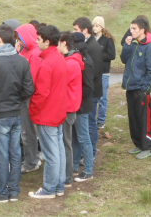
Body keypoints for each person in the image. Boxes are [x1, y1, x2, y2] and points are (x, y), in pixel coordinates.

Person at [0, 25, 34, 203]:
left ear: (0, 40)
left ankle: (1, 193)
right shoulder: (22, 61)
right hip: (15, 113)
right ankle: (13, 191)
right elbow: (29, 89)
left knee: (2, 155)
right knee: (15, 153)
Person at [28, 25, 68, 199]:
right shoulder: (60, 59)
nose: (36, 42)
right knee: (59, 151)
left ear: (46, 41)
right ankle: (59, 186)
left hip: (47, 114)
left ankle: (49, 188)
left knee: (51, 154)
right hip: (58, 112)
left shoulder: (47, 63)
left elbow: (41, 93)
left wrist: (32, 111)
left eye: (38, 39)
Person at [121, 18, 151, 160]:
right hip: (130, 87)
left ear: (142, 30)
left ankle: (148, 147)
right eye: (131, 28)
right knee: (133, 117)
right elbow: (123, 59)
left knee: (144, 119)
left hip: (141, 89)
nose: (131, 31)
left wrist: (146, 89)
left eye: (134, 29)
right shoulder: (133, 43)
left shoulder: (150, 46)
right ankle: (138, 144)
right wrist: (127, 46)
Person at [72, 17, 103, 161]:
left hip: (91, 92)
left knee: (90, 124)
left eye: (76, 30)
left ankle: (92, 153)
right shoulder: (87, 45)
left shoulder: (92, 47)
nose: (74, 33)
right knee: (87, 125)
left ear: (85, 30)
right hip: (88, 91)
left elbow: (94, 72)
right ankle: (86, 153)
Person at [14, 23, 43, 174]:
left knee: (28, 131)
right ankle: (29, 159)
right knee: (24, 130)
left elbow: (30, 79)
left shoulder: (35, 53)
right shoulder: (25, 51)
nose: (18, 41)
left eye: (20, 37)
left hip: (28, 98)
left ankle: (32, 161)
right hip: (23, 96)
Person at [57, 32, 84, 187]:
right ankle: (66, 172)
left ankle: (67, 176)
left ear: (65, 44)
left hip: (67, 109)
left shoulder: (70, 64)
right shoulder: (71, 61)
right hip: (69, 107)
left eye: (59, 43)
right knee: (66, 141)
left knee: (66, 142)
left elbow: (61, 84)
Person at [71, 32, 96, 182]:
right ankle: (74, 166)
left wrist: (75, 99)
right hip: (78, 105)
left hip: (81, 106)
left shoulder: (85, 62)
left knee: (83, 138)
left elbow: (88, 87)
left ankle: (88, 170)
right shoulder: (82, 58)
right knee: (75, 137)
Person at [90, 16, 115, 129]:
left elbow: (112, 55)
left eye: (97, 26)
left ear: (102, 27)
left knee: (102, 97)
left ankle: (101, 120)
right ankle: (92, 119)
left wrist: (98, 55)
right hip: (92, 73)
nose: (95, 28)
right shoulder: (91, 39)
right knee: (93, 97)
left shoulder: (107, 39)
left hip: (103, 73)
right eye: (94, 25)